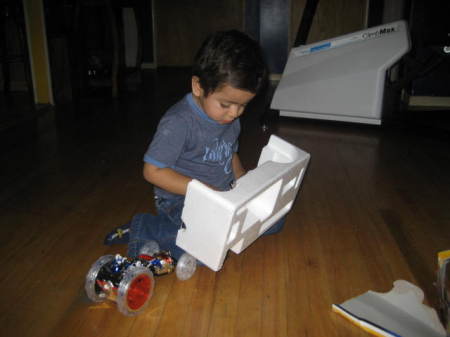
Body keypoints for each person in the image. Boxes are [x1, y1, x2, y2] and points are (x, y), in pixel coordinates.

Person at [104, 30, 284, 260]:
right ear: (198, 87)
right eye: (226, 104)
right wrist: (204, 192)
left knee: (273, 221)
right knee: (207, 247)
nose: (235, 113)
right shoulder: (179, 122)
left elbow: (229, 152)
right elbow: (152, 171)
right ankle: (145, 227)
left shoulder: (229, 118)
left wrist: (243, 181)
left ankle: (211, 231)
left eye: (242, 106)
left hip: (220, 195)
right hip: (180, 199)